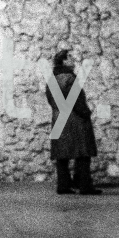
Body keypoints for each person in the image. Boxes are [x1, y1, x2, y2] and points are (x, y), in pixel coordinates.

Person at [46, 48, 99, 195]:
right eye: (69, 57)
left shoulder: (51, 80)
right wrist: (86, 113)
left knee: (61, 156)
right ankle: (84, 185)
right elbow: (77, 100)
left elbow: (50, 100)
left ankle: (63, 185)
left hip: (58, 119)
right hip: (74, 119)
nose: (73, 59)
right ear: (63, 61)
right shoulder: (70, 78)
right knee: (82, 153)